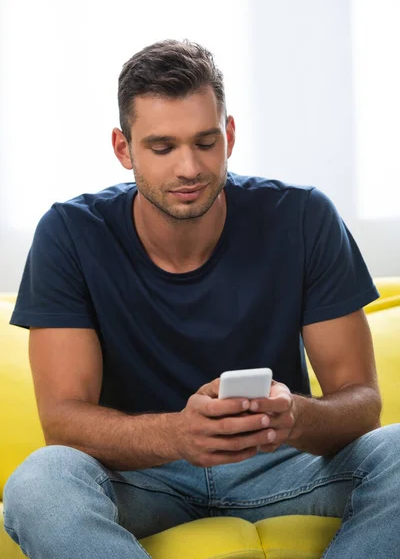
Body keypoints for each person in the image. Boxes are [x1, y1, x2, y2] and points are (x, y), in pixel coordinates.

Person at [3, 39, 399, 559]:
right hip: (141, 478)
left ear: (229, 136)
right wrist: (178, 436)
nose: (189, 168)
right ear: (124, 149)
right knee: (39, 482)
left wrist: (294, 416)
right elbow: (63, 420)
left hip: (282, 463)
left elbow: (361, 402)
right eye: (163, 147)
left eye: (205, 142)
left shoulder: (303, 216)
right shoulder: (70, 232)